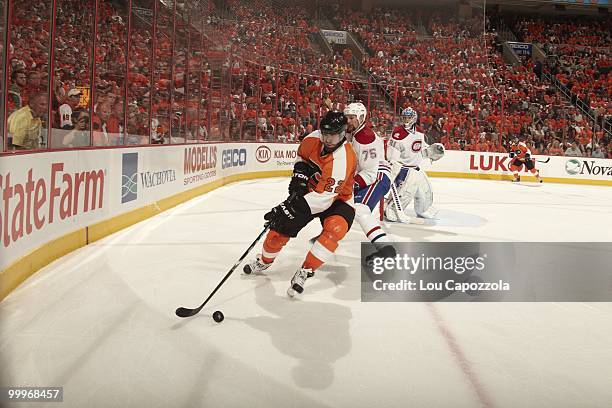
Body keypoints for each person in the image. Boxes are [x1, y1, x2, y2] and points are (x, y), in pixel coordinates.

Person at [243, 111, 357, 297]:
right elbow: (302, 157)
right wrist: (300, 178)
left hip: (338, 200)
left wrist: (290, 207)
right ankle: (263, 260)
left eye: (333, 135)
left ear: (343, 133)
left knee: (335, 229)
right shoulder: (313, 139)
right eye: (325, 134)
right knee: (278, 230)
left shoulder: (343, 159)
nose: (328, 139)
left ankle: (306, 270)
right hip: (310, 193)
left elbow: (323, 199)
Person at [343, 102, 397, 260]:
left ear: (361, 118)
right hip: (371, 175)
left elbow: (369, 173)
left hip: (378, 176)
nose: (348, 121)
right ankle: (327, 236)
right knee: (345, 205)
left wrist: (349, 185)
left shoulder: (365, 138)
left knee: (360, 209)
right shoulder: (353, 133)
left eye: (352, 117)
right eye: (347, 117)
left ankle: (386, 249)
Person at [384, 107, 445, 221]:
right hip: (404, 170)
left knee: (425, 192)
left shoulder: (419, 132)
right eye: (404, 118)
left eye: (409, 117)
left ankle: (423, 209)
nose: (406, 120)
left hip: (417, 169)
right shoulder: (398, 133)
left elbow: (419, 149)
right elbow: (392, 154)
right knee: (405, 194)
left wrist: (429, 152)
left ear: (414, 118)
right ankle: (390, 209)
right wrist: (393, 165)